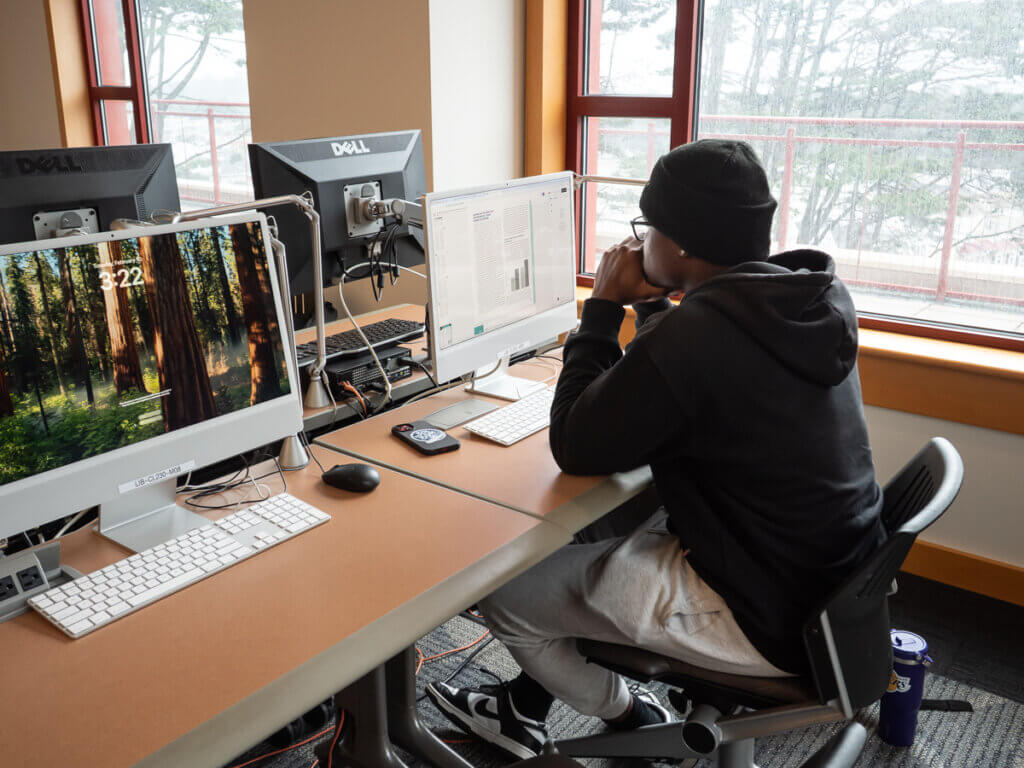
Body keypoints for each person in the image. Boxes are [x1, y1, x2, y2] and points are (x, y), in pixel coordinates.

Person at [426, 139, 886, 760]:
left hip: (758, 613)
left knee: (505, 593)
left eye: (650, 229)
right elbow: (690, 373)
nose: (641, 243)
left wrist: (602, 307)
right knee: (594, 529)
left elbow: (574, 442)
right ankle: (527, 705)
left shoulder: (699, 333)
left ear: (684, 244)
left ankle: (629, 714)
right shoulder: (804, 300)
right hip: (824, 588)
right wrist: (652, 303)